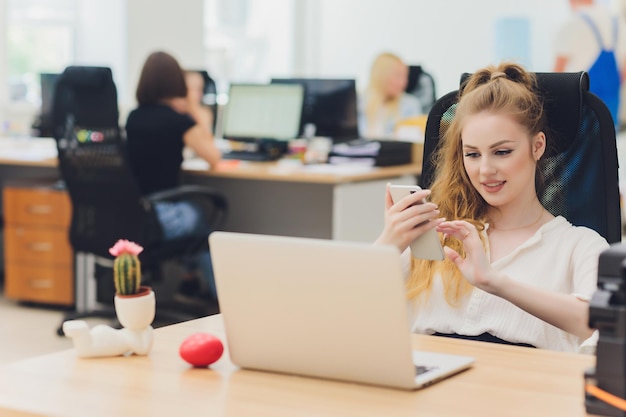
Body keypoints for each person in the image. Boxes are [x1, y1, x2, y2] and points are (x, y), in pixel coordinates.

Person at [375, 61, 609, 353]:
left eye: (502, 152)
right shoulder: (439, 234)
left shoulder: (579, 246)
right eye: (472, 154)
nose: (485, 170)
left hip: (523, 392)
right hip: (431, 388)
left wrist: (494, 282)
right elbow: (350, 313)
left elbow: (601, 325)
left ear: (537, 147)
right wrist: (387, 244)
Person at [125, 51, 222, 301]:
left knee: (196, 222)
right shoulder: (177, 121)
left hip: (135, 212)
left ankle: (189, 283)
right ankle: (219, 298)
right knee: (201, 221)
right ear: (177, 84)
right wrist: (191, 108)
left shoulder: (133, 118)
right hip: (163, 214)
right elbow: (213, 157)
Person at [553, 0, 626, 126]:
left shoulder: (571, 24)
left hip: (582, 104)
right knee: (607, 141)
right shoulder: (618, 22)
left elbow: (556, 78)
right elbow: (623, 72)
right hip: (612, 104)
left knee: (585, 142)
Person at [358, 52, 422, 139]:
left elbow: (413, 140)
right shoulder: (357, 102)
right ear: (382, 76)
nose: (404, 82)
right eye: (398, 76)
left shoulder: (410, 104)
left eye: (405, 77)